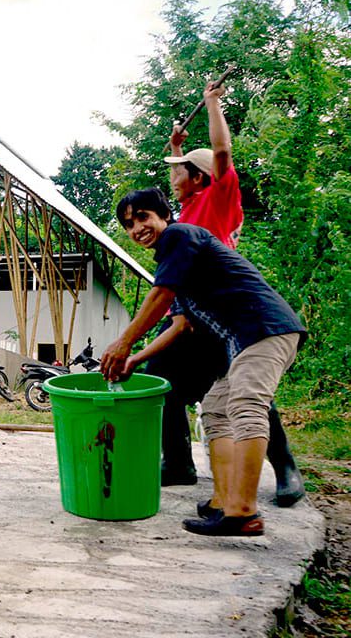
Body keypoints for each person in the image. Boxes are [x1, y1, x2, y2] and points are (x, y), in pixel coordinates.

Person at [101, 188, 305, 536]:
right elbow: (179, 324)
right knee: (215, 408)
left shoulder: (181, 236)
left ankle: (243, 512)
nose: (137, 229)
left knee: (246, 405)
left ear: (165, 216)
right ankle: (223, 501)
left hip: (262, 328)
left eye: (143, 217)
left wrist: (123, 343)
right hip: (241, 341)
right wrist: (135, 358)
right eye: (129, 225)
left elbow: (160, 295)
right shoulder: (176, 264)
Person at [148, 78, 304, 507]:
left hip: (224, 313)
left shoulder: (218, 198)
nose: (172, 175)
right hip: (194, 312)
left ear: (199, 178)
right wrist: (175, 145)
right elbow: (187, 168)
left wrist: (212, 104)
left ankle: (286, 468)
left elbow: (220, 154)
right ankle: (178, 462)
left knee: (245, 390)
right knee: (162, 380)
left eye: (179, 170)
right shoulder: (186, 209)